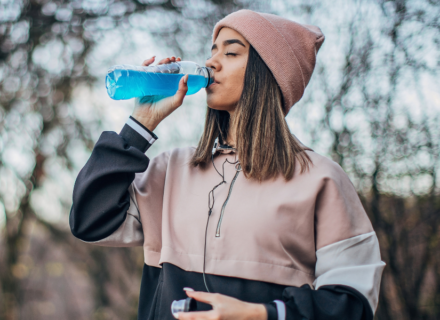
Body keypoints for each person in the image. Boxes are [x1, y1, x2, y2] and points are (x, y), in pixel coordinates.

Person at [70, 9, 385, 320]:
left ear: (269, 74)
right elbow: (90, 222)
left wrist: (262, 314)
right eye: (213, 51)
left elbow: (351, 304)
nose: (211, 62)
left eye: (232, 53)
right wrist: (140, 125)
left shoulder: (320, 179)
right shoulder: (171, 169)